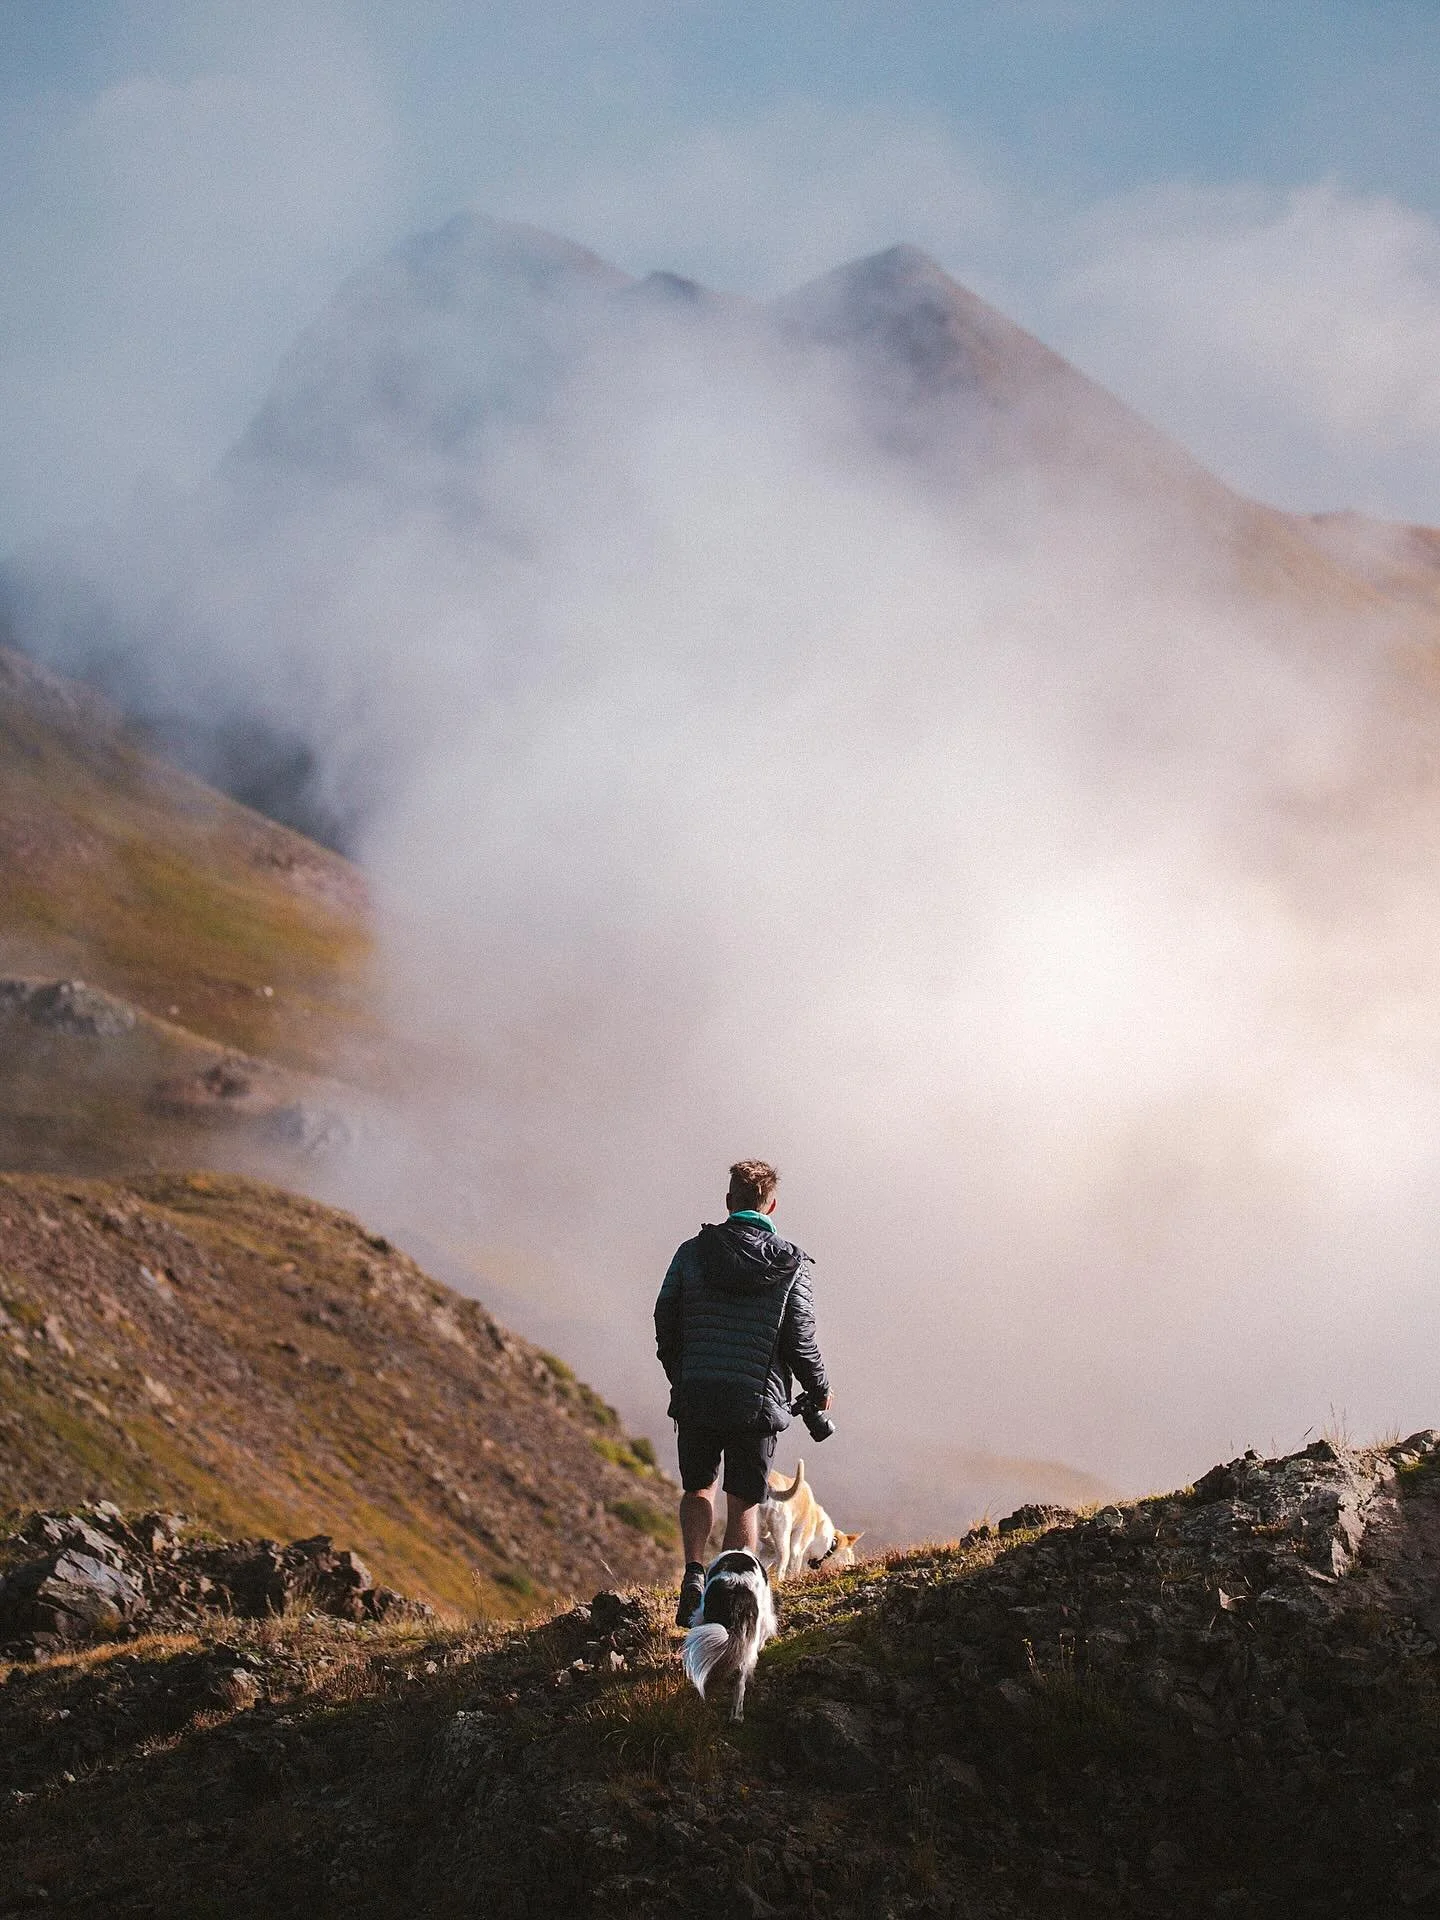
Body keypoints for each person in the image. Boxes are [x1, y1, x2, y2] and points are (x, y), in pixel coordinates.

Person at [654, 1158, 832, 1629]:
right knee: (743, 1501)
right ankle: (731, 1600)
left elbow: (665, 1318)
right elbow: (800, 1338)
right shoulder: (791, 1262)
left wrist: (682, 1372)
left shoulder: (691, 1252)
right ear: (771, 1205)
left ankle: (694, 1572)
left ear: (729, 1201)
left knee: (698, 1487)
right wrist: (819, 1388)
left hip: (697, 1392)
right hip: (755, 1400)